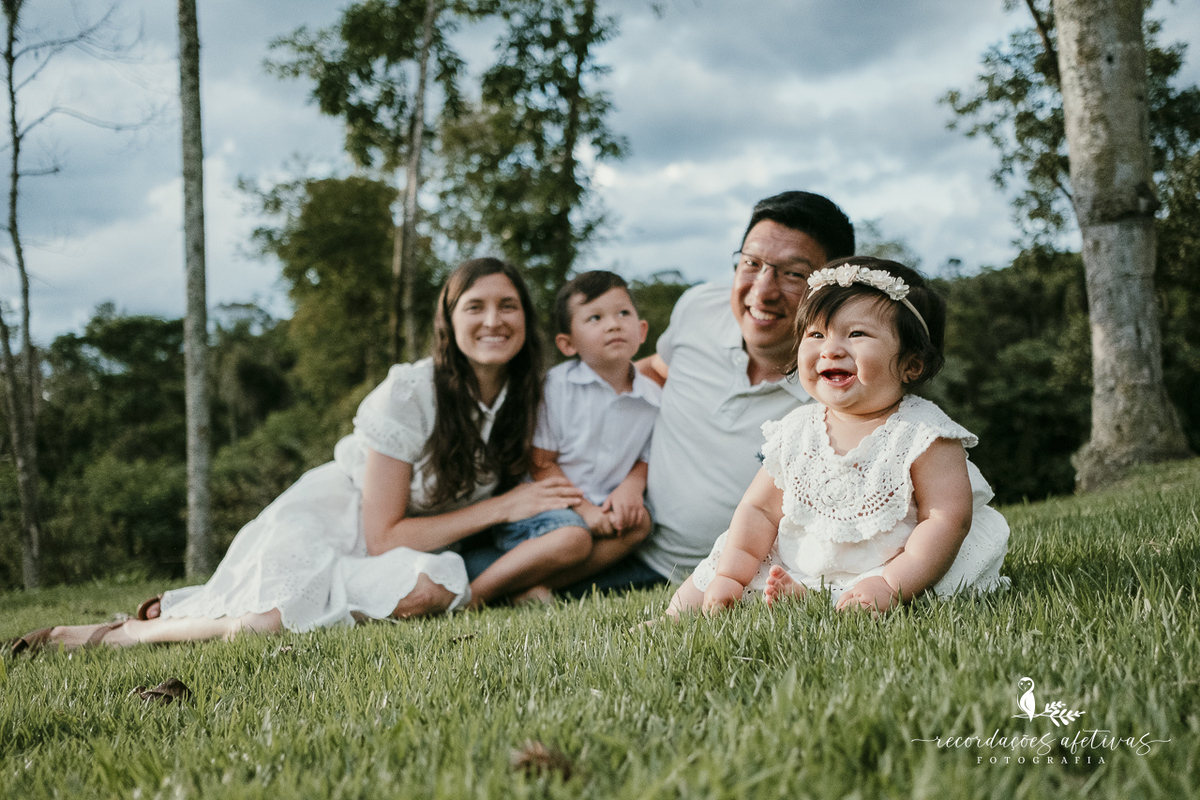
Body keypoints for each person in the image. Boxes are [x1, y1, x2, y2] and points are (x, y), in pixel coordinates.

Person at [9, 258, 583, 653]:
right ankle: (110, 634)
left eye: (508, 306)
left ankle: (198, 609)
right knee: (263, 625)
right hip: (338, 519)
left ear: (526, 319)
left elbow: (632, 374)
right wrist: (506, 508)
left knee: (430, 589)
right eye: (475, 306)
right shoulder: (409, 393)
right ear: (448, 319)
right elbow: (382, 535)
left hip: (415, 543)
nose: (493, 320)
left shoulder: (527, 396)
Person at [664, 257, 1010, 617]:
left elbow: (947, 519)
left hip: (895, 563)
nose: (830, 349)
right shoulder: (796, 429)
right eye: (816, 334)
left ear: (911, 363)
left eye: (856, 334)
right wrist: (732, 575)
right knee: (720, 560)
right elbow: (759, 510)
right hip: (803, 555)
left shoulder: (923, 434)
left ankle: (827, 596)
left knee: (919, 580)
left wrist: (891, 584)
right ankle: (672, 619)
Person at [562, 190, 857, 595]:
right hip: (627, 543)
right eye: (751, 264)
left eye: (792, 274)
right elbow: (654, 374)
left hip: (734, 582)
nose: (762, 290)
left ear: (830, 287)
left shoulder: (841, 386)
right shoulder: (699, 308)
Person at [464, 271, 660, 604]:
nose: (613, 324)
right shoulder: (559, 387)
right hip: (544, 508)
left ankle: (533, 590)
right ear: (568, 343)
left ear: (641, 331)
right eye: (595, 317)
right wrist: (584, 510)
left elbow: (647, 456)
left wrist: (632, 486)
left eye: (623, 314)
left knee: (640, 525)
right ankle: (476, 595)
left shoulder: (652, 398)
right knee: (573, 537)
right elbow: (540, 464)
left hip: (602, 504)